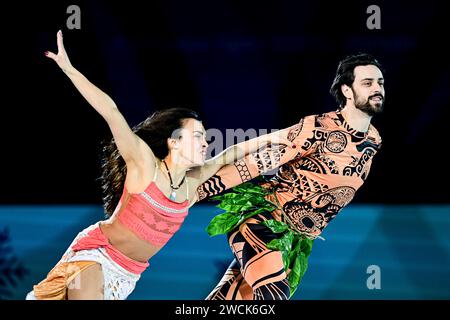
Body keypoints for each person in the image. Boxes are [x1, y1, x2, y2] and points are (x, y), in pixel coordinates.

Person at [25, 30, 294, 300]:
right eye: (198, 136)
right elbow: (111, 112)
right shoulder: (145, 165)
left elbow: (232, 151)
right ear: (174, 142)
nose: (205, 142)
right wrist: (69, 69)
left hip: (128, 274)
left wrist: (284, 136)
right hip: (96, 254)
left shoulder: (192, 183)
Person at [197, 53, 384, 300]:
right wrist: (193, 191)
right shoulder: (319, 128)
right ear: (347, 91)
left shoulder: (374, 140)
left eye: (380, 83)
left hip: (292, 244)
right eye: (367, 83)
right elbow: (257, 163)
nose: (377, 89)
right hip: (263, 222)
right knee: (274, 297)